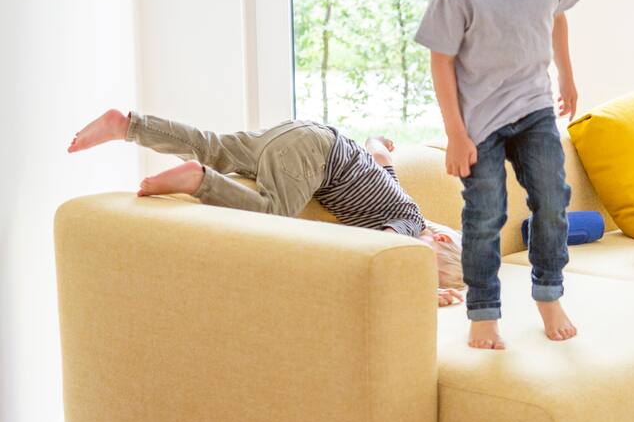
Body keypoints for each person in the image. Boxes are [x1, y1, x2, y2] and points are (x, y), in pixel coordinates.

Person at [416, 0, 580, 350]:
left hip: (534, 109)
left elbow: (556, 17)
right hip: (480, 121)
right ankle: (483, 312)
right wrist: (455, 133)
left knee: (552, 200)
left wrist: (567, 76)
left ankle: (549, 294)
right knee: (485, 216)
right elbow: (441, 60)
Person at [66, 108, 465, 306]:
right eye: (425, 265)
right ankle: (200, 181)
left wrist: (378, 138)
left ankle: (127, 125)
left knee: (213, 146)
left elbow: (379, 155)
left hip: (302, 132)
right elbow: (388, 253)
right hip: (315, 154)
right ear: (440, 238)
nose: (413, 266)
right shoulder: (408, 225)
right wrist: (420, 292)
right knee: (273, 218)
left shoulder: (401, 199)